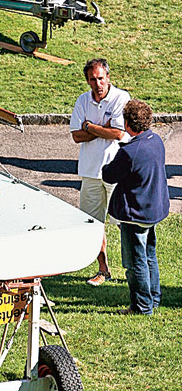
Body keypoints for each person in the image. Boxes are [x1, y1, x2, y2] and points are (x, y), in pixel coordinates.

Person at [102, 100, 169, 315]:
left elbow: (109, 174)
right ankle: (153, 298)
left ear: (128, 122)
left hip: (135, 212)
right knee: (149, 255)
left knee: (135, 262)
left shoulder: (130, 151)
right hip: (153, 208)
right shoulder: (155, 140)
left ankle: (141, 306)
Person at [70, 58, 130, 286]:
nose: (98, 84)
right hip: (90, 171)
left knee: (124, 221)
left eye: (101, 78)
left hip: (115, 170)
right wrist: (101, 129)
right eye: (93, 79)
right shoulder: (82, 100)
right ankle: (103, 270)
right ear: (87, 80)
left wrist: (89, 127)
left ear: (108, 77)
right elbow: (76, 136)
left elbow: (117, 133)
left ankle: (131, 269)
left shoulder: (121, 98)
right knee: (93, 223)